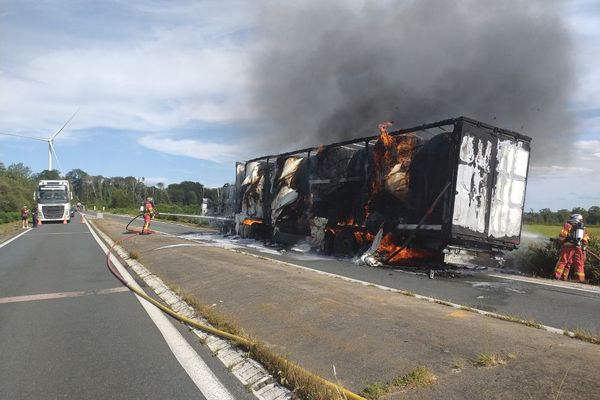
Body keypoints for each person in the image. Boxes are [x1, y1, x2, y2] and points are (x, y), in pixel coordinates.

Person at [553, 213, 590, 282]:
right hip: (578, 248)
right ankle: (580, 279)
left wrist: (559, 241)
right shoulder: (584, 229)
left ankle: (557, 276)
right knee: (579, 263)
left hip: (568, 247)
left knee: (563, 261)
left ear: (573, 219)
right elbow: (585, 240)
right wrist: (584, 249)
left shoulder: (568, 225)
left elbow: (562, 235)